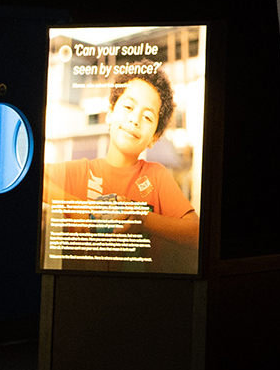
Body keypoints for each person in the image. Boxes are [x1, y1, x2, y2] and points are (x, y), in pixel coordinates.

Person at [44, 70, 198, 263]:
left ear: (154, 138)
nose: (135, 119)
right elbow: (35, 177)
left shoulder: (156, 176)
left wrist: (142, 219)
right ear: (109, 114)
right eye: (128, 107)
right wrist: (76, 207)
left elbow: (196, 233)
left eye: (147, 117)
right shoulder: (80, 171)